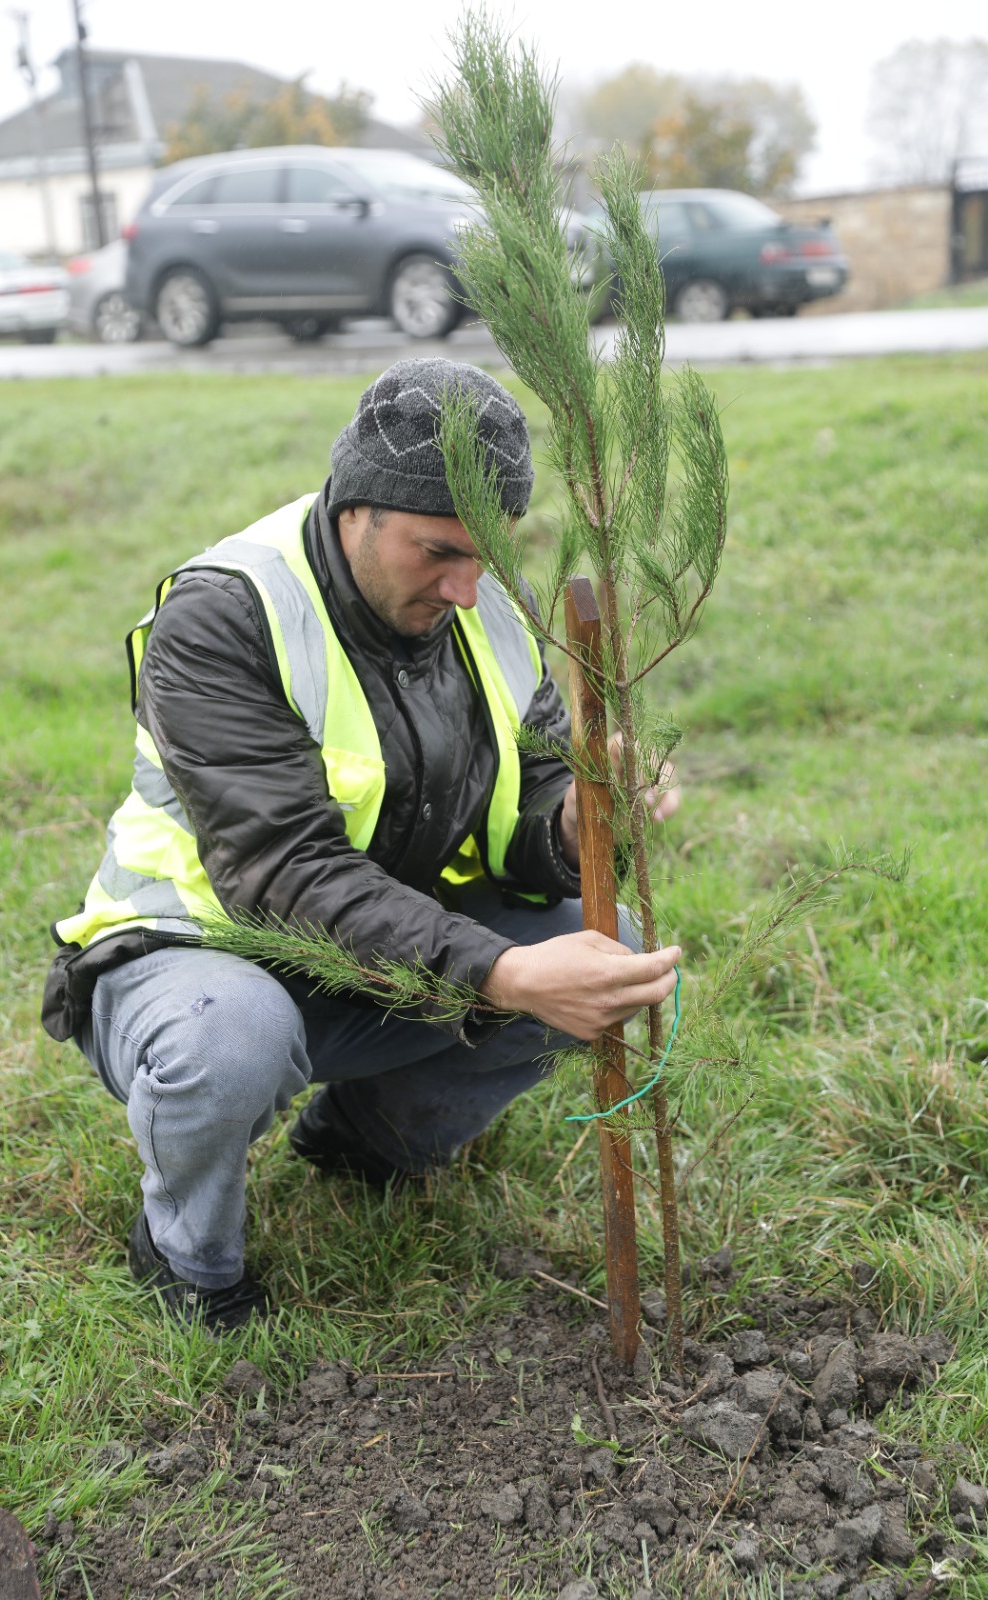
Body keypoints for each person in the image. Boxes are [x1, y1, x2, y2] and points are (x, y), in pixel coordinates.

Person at [41, 358, 680, 1331]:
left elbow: (528, 792)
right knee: (234, 1039)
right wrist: (500, 972)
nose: (467, 587)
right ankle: (187, 1257)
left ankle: (361, 1143)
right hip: (198, 957)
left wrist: (580, 815)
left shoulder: (486, 605)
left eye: (486, 553)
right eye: (437, 552)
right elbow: (281, 872)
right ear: (357, 509)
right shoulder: (226, 617)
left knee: (614, 951)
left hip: (385, 949)